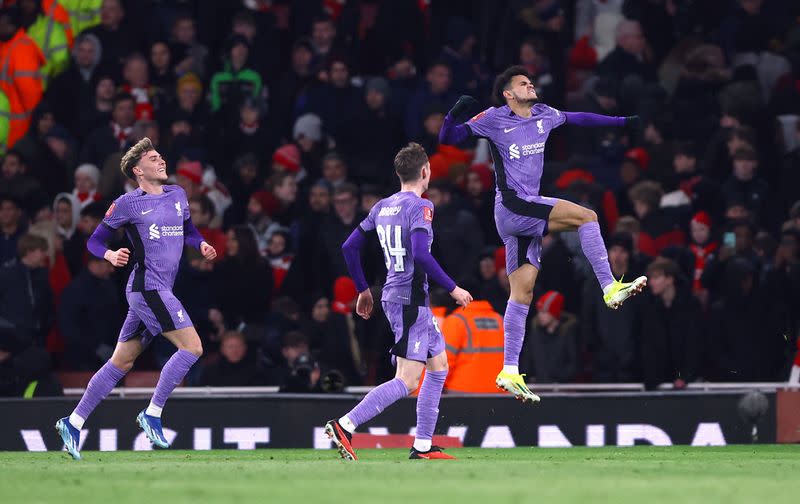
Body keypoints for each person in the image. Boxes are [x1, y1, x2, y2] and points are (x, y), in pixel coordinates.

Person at [439, 65, 647, 402]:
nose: (530, 84)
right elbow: (448, 139)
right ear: (508, 93)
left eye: (530, 81)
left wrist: (621, 122)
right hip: (514, 207)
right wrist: (453, 115)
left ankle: (508, 369)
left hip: (523, 212)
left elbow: (580, 118)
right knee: (587, 216)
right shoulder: (493, 118)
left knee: (522, 295)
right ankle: (609, 287)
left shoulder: (544, 114)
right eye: (523, 83)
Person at [54, 137, 217, 460]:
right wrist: (110, 253)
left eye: (160, 156)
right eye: (154, 159)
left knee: (122, 361)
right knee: (193, 347)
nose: (161, 161)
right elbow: (95, 241)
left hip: (160, 289)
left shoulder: (178, 194)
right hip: (147, 287)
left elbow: (189, 231)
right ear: (137, 171)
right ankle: (153, 414)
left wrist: (200, 245)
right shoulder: (128, 203)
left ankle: (72, 422)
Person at [324, 143, 472, 461]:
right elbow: (420, 254)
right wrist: (454, 288)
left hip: (399, 297)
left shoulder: (382, 207)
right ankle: (344, 426)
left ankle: (422, 446)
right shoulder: (421, 207)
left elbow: (349, 247)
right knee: (406, 380)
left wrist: (363, 290)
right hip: (409, 301)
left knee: (439, 367)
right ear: (425, 172)